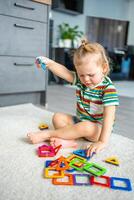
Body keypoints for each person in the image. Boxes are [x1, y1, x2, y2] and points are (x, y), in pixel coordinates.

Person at [27, 39, 119, 156]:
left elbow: (109, 117)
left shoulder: (108, 89)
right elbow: (64, 72)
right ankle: (68, 141)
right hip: (80, 120)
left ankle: (48, 134)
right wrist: (48, 63)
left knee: (85, 127)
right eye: (81, 75)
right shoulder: (82, 81)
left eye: (91, 75)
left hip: (97, 130)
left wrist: (102, 141)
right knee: (58, 117)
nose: (86, 79)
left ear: (104, 68)